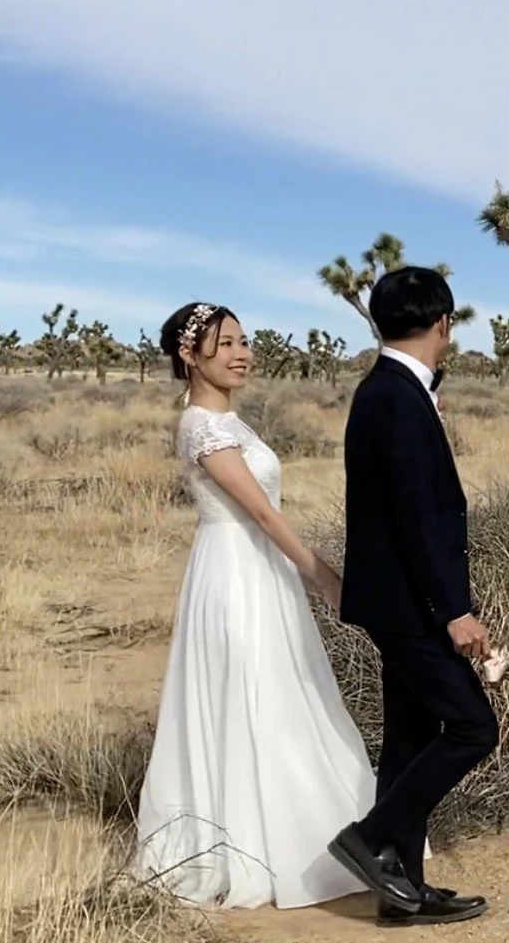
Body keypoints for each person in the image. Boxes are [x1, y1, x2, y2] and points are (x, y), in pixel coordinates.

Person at [130, 302, 381, 909]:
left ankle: (319, 833)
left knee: (284, 690)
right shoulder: (202, 426)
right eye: (226, 344)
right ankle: (263, 844)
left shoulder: (230, 422)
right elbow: (262, 515)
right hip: (236, 575)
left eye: (246, 341)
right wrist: (324, 575)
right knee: (255, 691)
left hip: (258, 573)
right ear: (190, 355)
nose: (243, 353)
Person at [325, 266, 497, 926]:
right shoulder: (396, 397)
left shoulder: (394, 390)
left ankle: (403, 893)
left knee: (409, 740)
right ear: (443, 323)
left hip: (395, 600)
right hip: (411, 604)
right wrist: (453, 610)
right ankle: (371, 839)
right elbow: (415, 514)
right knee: (473, 727)